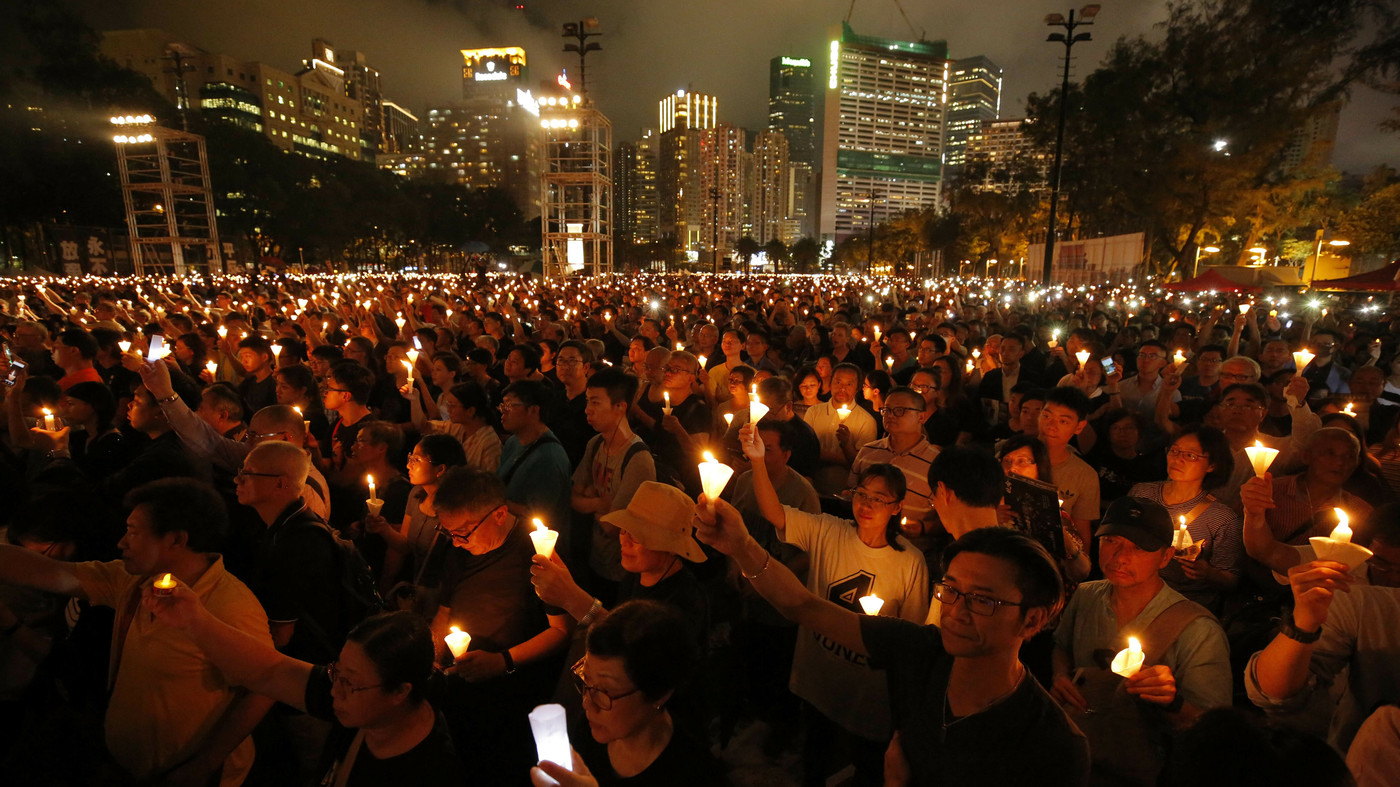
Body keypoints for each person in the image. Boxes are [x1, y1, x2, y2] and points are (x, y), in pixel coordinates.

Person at [695, 504, 1088, 786]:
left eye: (983, 599)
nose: (956, 611)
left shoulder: (1052, 745)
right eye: (950, 590)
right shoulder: (922, 649)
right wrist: (742, 547)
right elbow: (804, 606)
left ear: (1034, 619)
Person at [0, 478, 272, 786]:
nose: (121, 542)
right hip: (127, 764)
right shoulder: (131, 580)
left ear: (176, 540)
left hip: (184, 773)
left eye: (133, 532)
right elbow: (51, 573)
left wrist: (204, 764)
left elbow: (263, 687)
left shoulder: (231, 605)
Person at [739, 423, 928, 786]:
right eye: (862, 494)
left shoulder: (910, 562)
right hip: (820, 679)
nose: (867, 504)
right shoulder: (830, 531)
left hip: (868, 694)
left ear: (897, 507)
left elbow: (911, 637)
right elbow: (774, 512)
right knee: (816, 758)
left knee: (865, 769)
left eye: (879, 498)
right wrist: (758, 462)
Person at [146, 593, 464, 785]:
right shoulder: (360, 705)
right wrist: (193, 619)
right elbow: (270, 671)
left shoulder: (429, 773)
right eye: (336, 671)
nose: (334, 690)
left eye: (349, 682)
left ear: (400, 692)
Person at [1050, 497, 1232, 786]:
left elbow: (1214, 730)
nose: (1120, 556)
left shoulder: (1198, 629)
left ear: (1166, 556)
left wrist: (1171, 701)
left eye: (1139, 547)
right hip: (1076, 757)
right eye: (1110, 541)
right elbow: (1062, 645)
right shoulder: (1085, 596)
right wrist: (1060, 675)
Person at [431, 467, 571, 783]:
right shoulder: (459, 548)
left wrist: (502, 662)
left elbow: (562, 631)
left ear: (499, 514)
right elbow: (444, 609)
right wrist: (435, 663)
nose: (455, 542)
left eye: (463, 532)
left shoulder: (537, 553)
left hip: (514, 701)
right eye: (448, 532)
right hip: (460, 693)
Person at [557, 600, 730, 786]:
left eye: (605, 690)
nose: (587, 703)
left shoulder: (694, 774)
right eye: (586, 679)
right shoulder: (588, 732)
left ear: (659, 694)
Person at [1245, 559, 1400, 759]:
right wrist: (1304, 622)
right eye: (1382, 564)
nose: (1394, 576)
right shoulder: (1367, 605)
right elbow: (1274, 694)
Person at [1126, 426, 1243, 614]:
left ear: (1212, 465)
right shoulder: (1142, 493)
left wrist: (1208, 573)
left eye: (1191, 455)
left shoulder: (1222, 518)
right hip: (1134, 592)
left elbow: (1231, 579)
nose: (1178, 458)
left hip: (1184, 606)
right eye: (1174, 450)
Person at [573, 368, 656, 598]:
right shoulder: (595, 444)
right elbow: (573, 498)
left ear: (620, 407)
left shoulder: (637, 458)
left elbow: (612, 527)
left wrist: (590, 498)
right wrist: (602, 502)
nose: (588, 410)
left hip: (622, 570)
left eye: (596, 403)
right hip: (595, 558)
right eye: (588, 401)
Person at [847, 386, 941, 537]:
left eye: (899, 410)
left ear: (921, 417)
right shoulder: (868, 451)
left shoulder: (936, 463)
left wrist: (923, 527)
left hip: (911, 548)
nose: (890, 415)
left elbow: (946, 517)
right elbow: (851, 491)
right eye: (887, 410)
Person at [497, 380, 573, 534]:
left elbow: (539, 516)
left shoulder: (549, 458)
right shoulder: (513, 442)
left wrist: (495, 504)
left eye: (510, 405)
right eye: (502, 405)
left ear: (533, 410)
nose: (503, 411)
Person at [1037, 387, 1100, 546]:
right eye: (1046, 416)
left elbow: (1081, 534)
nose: (1051, 425)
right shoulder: (1012, 457)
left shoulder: (1084, 475)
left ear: (1079, 427)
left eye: (1063, 421)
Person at [804, 363, 878, 495]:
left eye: (849, 384)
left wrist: (845, 445)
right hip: (811, 489)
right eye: (838, 382)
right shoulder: (813, 412)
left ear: (857, 388)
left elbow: (862, 465)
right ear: (830, 383)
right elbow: (804, 451)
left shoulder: (866, 421)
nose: (842, 388)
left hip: (845, 493)